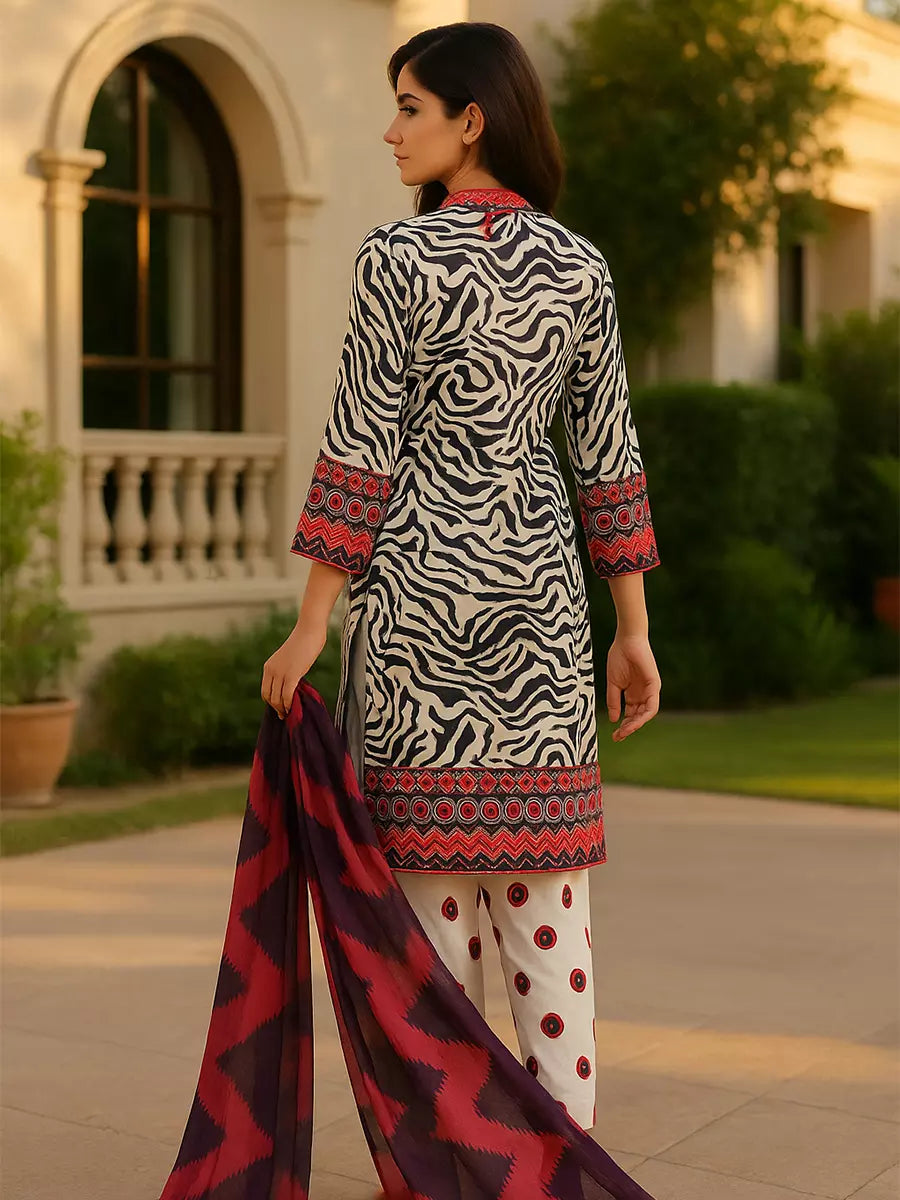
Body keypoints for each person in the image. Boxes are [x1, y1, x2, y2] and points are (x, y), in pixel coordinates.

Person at [261, 18, 661, 1168]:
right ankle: (562, 1169)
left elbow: (359, 448)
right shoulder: (580, 268)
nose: (391, 131)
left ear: (470, 120)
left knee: (429, 942)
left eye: (410, 108)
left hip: (416, 623)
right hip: (542, 620)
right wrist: (631, 628)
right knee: (549, 925)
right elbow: (609, 458)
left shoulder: (398, 259)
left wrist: (310, 621)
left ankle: (444, 1174)